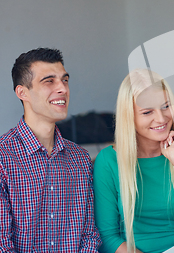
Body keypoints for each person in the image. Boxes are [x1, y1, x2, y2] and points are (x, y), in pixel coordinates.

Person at [93, 69, 174, 253]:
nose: (161, 118)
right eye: (147, 112)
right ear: (130, 117)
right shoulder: (108, 161)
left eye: (166, 106)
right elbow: (108, 237)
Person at [0, 48, 101, 252]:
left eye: (64, 80)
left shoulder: (80, 159)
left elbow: (90, 235)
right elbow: (2, 244)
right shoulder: (3, 158)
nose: (62, 88)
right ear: (22, 92)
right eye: (49, 81)